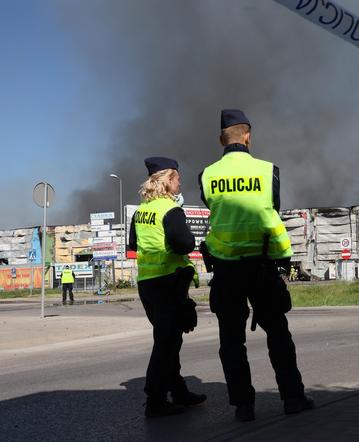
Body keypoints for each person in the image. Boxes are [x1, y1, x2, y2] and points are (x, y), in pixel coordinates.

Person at [199, 109, 313, 422]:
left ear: (222, 139)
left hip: (225, 269)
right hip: (262, 266)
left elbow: (216, 211)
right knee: (278, 334)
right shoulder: (267, 171)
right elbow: (271, 212)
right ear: (248, 136)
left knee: (231, 341)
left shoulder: (208, 175)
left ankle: (243, 406)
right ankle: (292, 398)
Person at [128, 156, 206, 418]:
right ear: (167, 180)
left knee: (169, 340)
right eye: (177, 177)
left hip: (147, 285)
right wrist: (190, 237)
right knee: (166, 343)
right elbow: (184, 244)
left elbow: (132, 247)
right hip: (169, 282)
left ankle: (179, 391)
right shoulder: (169, 210)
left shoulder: (141, 211)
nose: (180, 181)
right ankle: (155, 400)